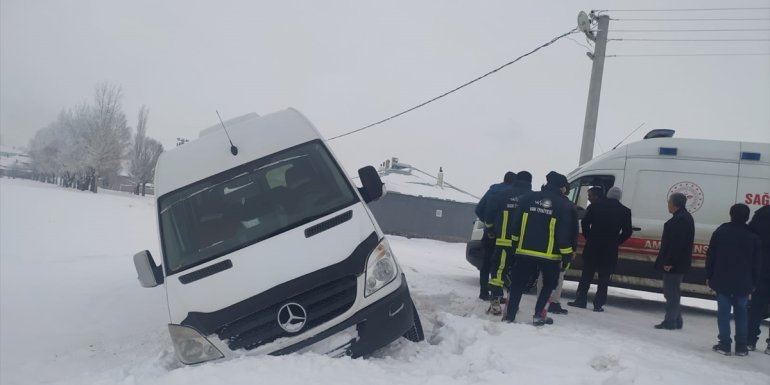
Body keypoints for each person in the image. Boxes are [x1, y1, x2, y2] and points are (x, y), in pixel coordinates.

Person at [503, 171, 575, 325]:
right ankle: (539, 315)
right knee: (549, 284)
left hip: (524, 251)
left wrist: (514, 246)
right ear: (561, 188)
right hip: (550, 256)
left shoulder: (526, 199)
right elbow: (563, 233)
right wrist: (567, 255)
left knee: (517, 283)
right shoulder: (564, 205)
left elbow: (515, 225)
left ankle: (509, 315)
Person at [706, 204, 762, 356]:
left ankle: (725, 344)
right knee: (742, 313)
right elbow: (757, 264)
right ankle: (742, 346)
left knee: (723, 312)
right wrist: (754, 283)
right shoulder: (754, 237)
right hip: (744, 282)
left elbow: (711, 256)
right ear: (747, 217)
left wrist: (709, 275)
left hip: (721, 279)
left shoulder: (720, 232)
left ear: (731, 214)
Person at [568, 186, 632, 312]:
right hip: (610, 249)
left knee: (586, 274)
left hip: (593, 245)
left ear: (608, 195)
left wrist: (589, 236)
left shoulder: (595, 206)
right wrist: (616, 241)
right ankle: (598, 304)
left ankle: (581, 300)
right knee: (604, 277)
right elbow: (627, 232)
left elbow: (585, 223)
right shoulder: (625, 211)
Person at [484, 171, 533, 315]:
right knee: (518, 274)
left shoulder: (502, 196)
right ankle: (513, 303)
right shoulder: (534, 198)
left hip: (503, 241)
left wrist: (491, 229)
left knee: (499, 271)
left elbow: (489, 215)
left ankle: (495, 301)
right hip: (523, 245)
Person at [653, 192, 694, 330]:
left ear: (674, 203)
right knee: (672, 292)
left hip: (674, 264)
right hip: (678, 263)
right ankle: (677, 320)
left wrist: (669, 262)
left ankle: (670, 321)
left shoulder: (680, 220)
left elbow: (677, 244)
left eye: (669, 201)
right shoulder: (684, 217)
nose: (668, 204)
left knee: (671, 293)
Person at [536, 184, 579, 315]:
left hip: (538, 246)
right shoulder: (567, 205)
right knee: (557, 277)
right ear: (563, 189)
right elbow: (572, 230)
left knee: (542, 277)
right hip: (557, 249)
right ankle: (552, 302)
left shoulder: (537, 202)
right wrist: (572, 249)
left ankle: (542, 300)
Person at [475, 171, 516, 300]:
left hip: (490, 233)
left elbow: (478, 209)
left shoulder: (492, 191)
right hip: (505, 235)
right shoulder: (512, 195)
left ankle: (483, 292)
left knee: (486, 262)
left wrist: (488, 223)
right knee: (501, 264)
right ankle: (497, 293)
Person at [747, 205, 770, 354]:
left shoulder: (762, 214)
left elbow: (750, 236)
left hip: (762, 268)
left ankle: (750, 341)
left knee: (755, 306)